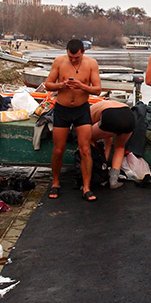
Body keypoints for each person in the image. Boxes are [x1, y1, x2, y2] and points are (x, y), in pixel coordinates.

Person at [44, 39, 102, 201]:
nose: (73, 60)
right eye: (71, 57)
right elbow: (48, 84)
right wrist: (61, 85)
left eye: (76, 57)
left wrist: (82, 86)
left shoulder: (91, 64)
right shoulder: (59, 61)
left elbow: (97, 89)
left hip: (81, 109)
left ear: (83, 52)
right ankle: (55, 182)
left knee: (85, 149)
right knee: (58, 149)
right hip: (62, 109)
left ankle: (87, 187)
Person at [89, 98, 135, 189]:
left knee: (88, 138)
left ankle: (94, 172)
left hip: (110, 115)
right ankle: (113, 179)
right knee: (120, 147)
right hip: (129, 116)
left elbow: (85, 133)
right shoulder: (107, 103)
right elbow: (108, 138)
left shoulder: (88, 112)